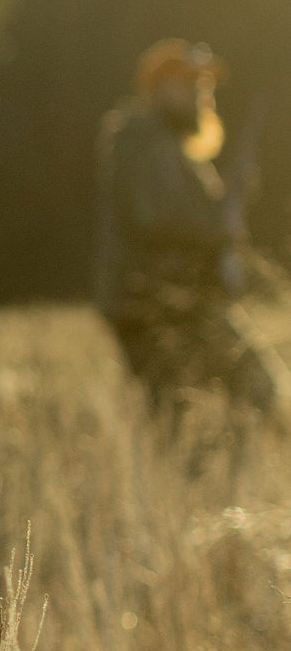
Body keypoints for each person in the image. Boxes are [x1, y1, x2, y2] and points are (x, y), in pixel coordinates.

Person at [94, 38, 276, 422]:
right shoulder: (151, 147)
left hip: (171, 304)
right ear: (158, 91)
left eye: (203, 86)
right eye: (188, 85)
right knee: (260, 397)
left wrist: (228, 200)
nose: (200, 95)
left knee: (186, 422)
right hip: (166, 306)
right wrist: (221, 221)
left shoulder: (164, 148)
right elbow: (161, 220)